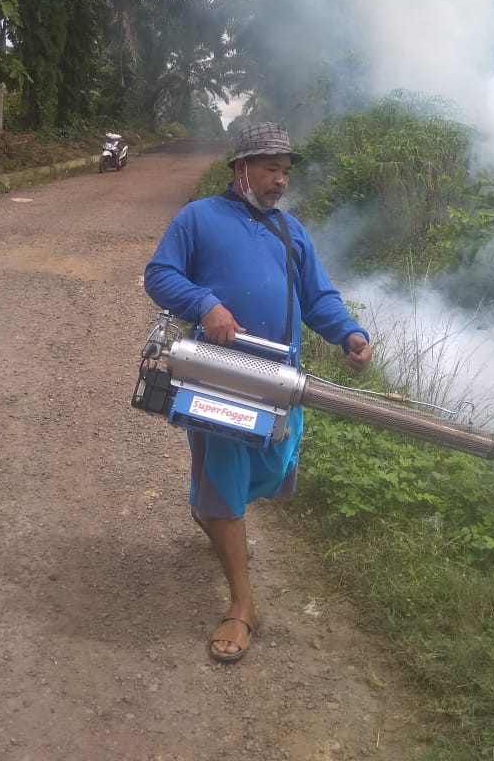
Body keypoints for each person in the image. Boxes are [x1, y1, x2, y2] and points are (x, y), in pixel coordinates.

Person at [144, 122, 372, 663]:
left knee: (270, 471)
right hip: (221, 376)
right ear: (241, 168)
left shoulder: (292, 232)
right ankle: (242, 606)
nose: (280, 181)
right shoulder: (198, 218)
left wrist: (350, 333)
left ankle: (211, 514)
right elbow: (159, 275)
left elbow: (318, 298)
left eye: (286, 171)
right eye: (271, 168)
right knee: (225, 481)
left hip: (279, 384)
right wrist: (204, 304)